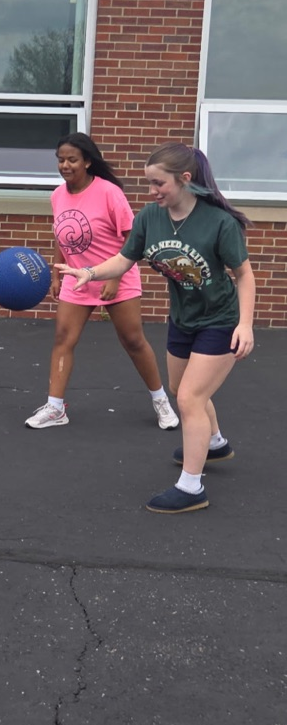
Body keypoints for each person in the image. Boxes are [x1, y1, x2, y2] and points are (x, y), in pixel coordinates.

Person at [56, 142, 255, 514]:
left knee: (190, 399)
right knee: (182, 388)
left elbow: (244, 276)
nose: (151, 191)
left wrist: (245, 325)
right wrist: (89, 272)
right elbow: (123, 259)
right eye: (148, 184)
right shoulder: (150, 217)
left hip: (221, 320)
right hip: (183, 317)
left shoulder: (219, 223)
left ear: (184, 179)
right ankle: (214, 443)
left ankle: (192, 487)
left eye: (158, 183)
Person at [25, 133, 179, 431]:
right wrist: (57, 274)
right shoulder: (58, 195)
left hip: (115, 276)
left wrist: (116, 276)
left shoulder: (109, 193)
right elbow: (62, 234)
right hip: (76, 278)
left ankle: (161, 400)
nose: (65, 165)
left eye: (72, 159)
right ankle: (56, 408)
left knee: (133, 341)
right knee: (63, 339)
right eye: (60, 160)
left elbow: (131, 239)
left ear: (87, 162)